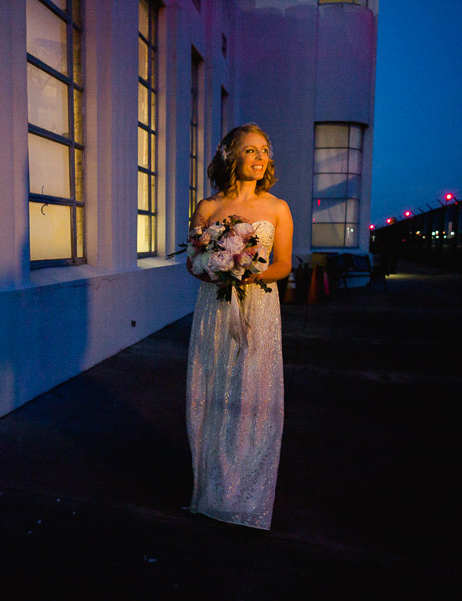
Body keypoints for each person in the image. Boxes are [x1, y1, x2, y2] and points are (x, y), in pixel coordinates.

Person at [186, 123, 293, 530]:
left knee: (252, 394)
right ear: (231, 155)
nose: (260, 156)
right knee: (211, 391)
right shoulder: (208, 207)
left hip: (259, 311)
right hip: (213, 309)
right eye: (250, 150)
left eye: (265, 149)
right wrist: (215, 268)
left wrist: (248, 273)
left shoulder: (277, 208)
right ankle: (209, 489)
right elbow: (192, 263)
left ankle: (247, 497)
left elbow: (282, 264)